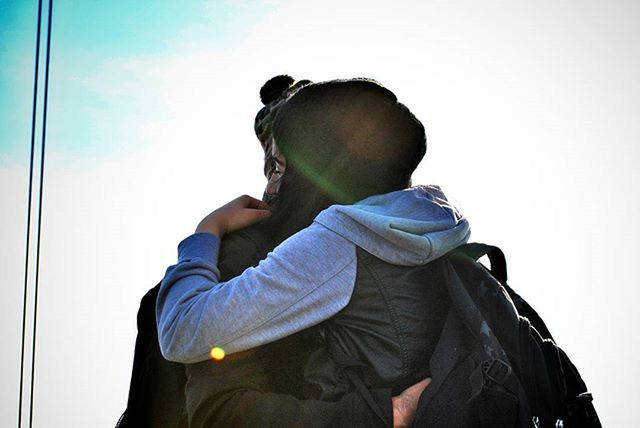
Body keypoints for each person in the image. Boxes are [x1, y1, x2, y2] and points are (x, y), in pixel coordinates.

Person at [156, 77, 470, 425]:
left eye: (278, 165)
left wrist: (206, 232)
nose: (271, 185)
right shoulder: (431, 222)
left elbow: (181, 331)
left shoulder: (339, 239)